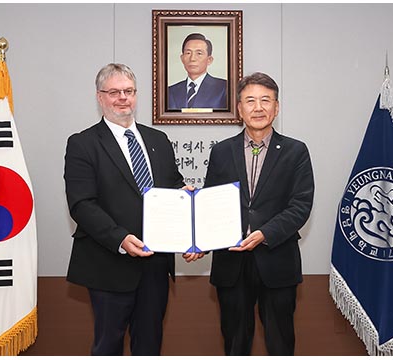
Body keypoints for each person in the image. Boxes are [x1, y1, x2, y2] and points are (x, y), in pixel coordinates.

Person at [63, 63, 202, 356]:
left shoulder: (158, 140)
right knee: (108, 345)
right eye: (114, 92)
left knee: (150, 344)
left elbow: (172, 187)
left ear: (136, 95)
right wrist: (121, 238)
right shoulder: (83, 144)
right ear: (100, 97)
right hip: (109, 264)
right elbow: (81, 204)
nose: (122, 98)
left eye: (128, 91)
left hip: (155, 266)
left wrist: (188, 214)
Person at [204, 72, 315, 355]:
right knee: (235, 343)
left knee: (280, 343)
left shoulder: (295, 151)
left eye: (266, 100)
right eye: (250, 100)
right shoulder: (221, 152)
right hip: (231, 264)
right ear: (239, 108)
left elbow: (300, 205)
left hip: (277, 261)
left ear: (276, 108)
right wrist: (200, 241)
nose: (258, 107)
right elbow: (211, 204)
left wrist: (265, 233)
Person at [168, 33, 227, 110]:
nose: (192, 58)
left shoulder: (224, 88)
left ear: (209, 60)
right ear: (182, 58)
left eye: (199, 53)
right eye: (188, 53)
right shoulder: (170, 91)